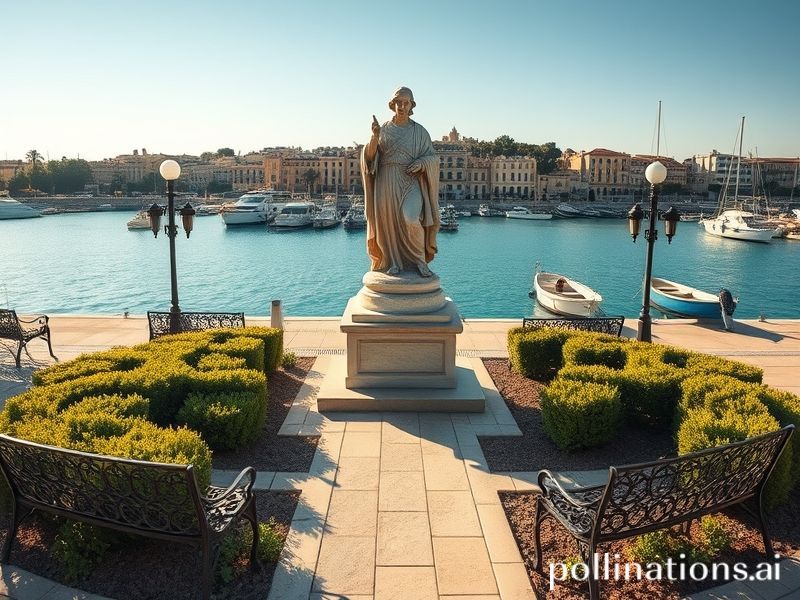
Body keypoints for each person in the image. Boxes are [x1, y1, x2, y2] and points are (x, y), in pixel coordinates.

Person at [361, 87, 440, 277]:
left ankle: (420, 261)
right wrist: (374, 137)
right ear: (392, 104)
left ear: (412, 105)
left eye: (406, 102)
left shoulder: (420, 132)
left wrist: (422, 163)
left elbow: (434, 159)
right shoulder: (383, 129)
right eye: (398, 102)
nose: (402, 106)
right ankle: (392, 261)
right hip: (386, 181)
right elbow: (369, 158)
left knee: (410, 217)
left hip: (410, 180)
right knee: (387, 224)